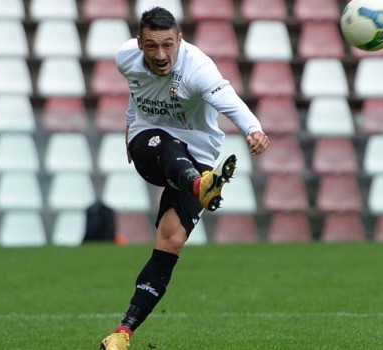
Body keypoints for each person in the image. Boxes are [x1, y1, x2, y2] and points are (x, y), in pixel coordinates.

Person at [99, 7, 270, 350]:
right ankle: (201, 186)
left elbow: (229, 101)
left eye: (167, 45)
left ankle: (122, 333)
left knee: (171, 241)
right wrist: (131, 123)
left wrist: (253, 129)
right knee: (167, 144)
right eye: (151, 46)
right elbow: (137, 89)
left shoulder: (198, 68)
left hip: (198, 156)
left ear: (180, 40)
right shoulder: (125, 57)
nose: (160, 55)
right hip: (149, 143)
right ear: (139, 43)